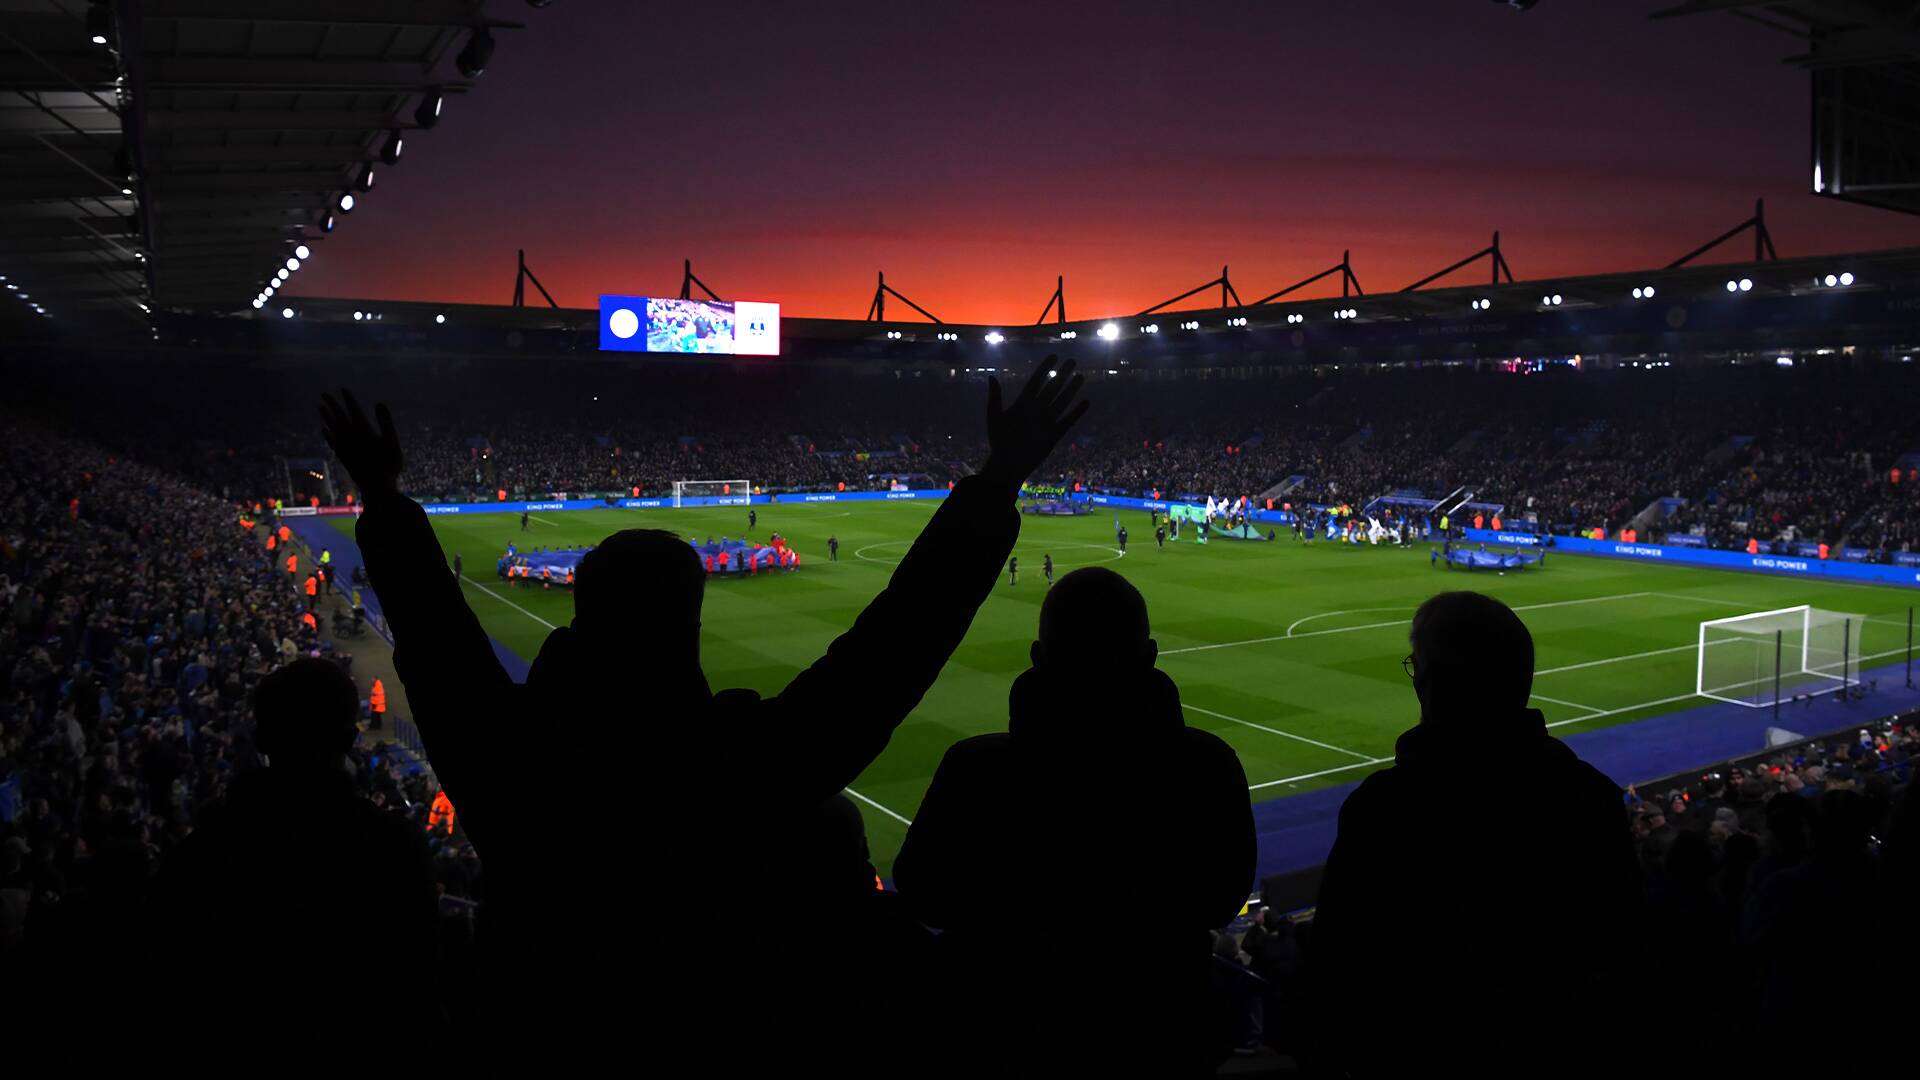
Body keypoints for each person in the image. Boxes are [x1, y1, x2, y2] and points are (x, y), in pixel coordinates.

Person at [319, 356, 1087, 1052]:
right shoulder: (740, 763)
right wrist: (999, 479)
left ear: (582, 611)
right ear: (688, 628)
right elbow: (891, 652)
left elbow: (437, 642)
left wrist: (383, 498)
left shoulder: (512, 757)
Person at [896, 567, 1254, 1072]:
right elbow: (1222, 897)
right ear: (1150, 656)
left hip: (1003, 1029)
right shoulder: (1209, 764)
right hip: (1159, 1030)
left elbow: (924, 894)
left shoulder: (975, 766)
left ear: (1037, 656)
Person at [1308, 591, 1638, 1075]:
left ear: (1429, 683)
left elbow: (1337, 964)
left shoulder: (1385, 806)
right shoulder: (1591, 798)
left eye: (1418, 666)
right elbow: (1620, 950)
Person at [149, 660, 438, 1047]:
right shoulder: (395, 848)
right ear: (350, 739)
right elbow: (418, 984)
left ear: (261, 738)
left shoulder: (200, 855)